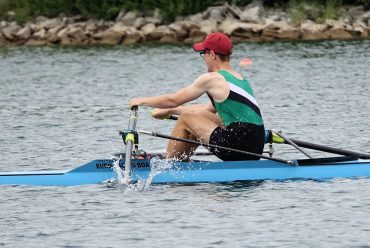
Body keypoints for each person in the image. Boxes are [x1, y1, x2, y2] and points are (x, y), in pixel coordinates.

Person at [129, 32, 265, 161]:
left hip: (238, 145)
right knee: (197, 118)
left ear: (212, 54)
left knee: (186, 118)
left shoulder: (212, 78)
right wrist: (170, 111)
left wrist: (140, 101)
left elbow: (173, 100)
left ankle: (168, 164)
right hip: (256, 146)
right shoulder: (239, 79)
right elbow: (208, 109)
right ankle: (181, 160)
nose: (203, 59)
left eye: (203, 54)